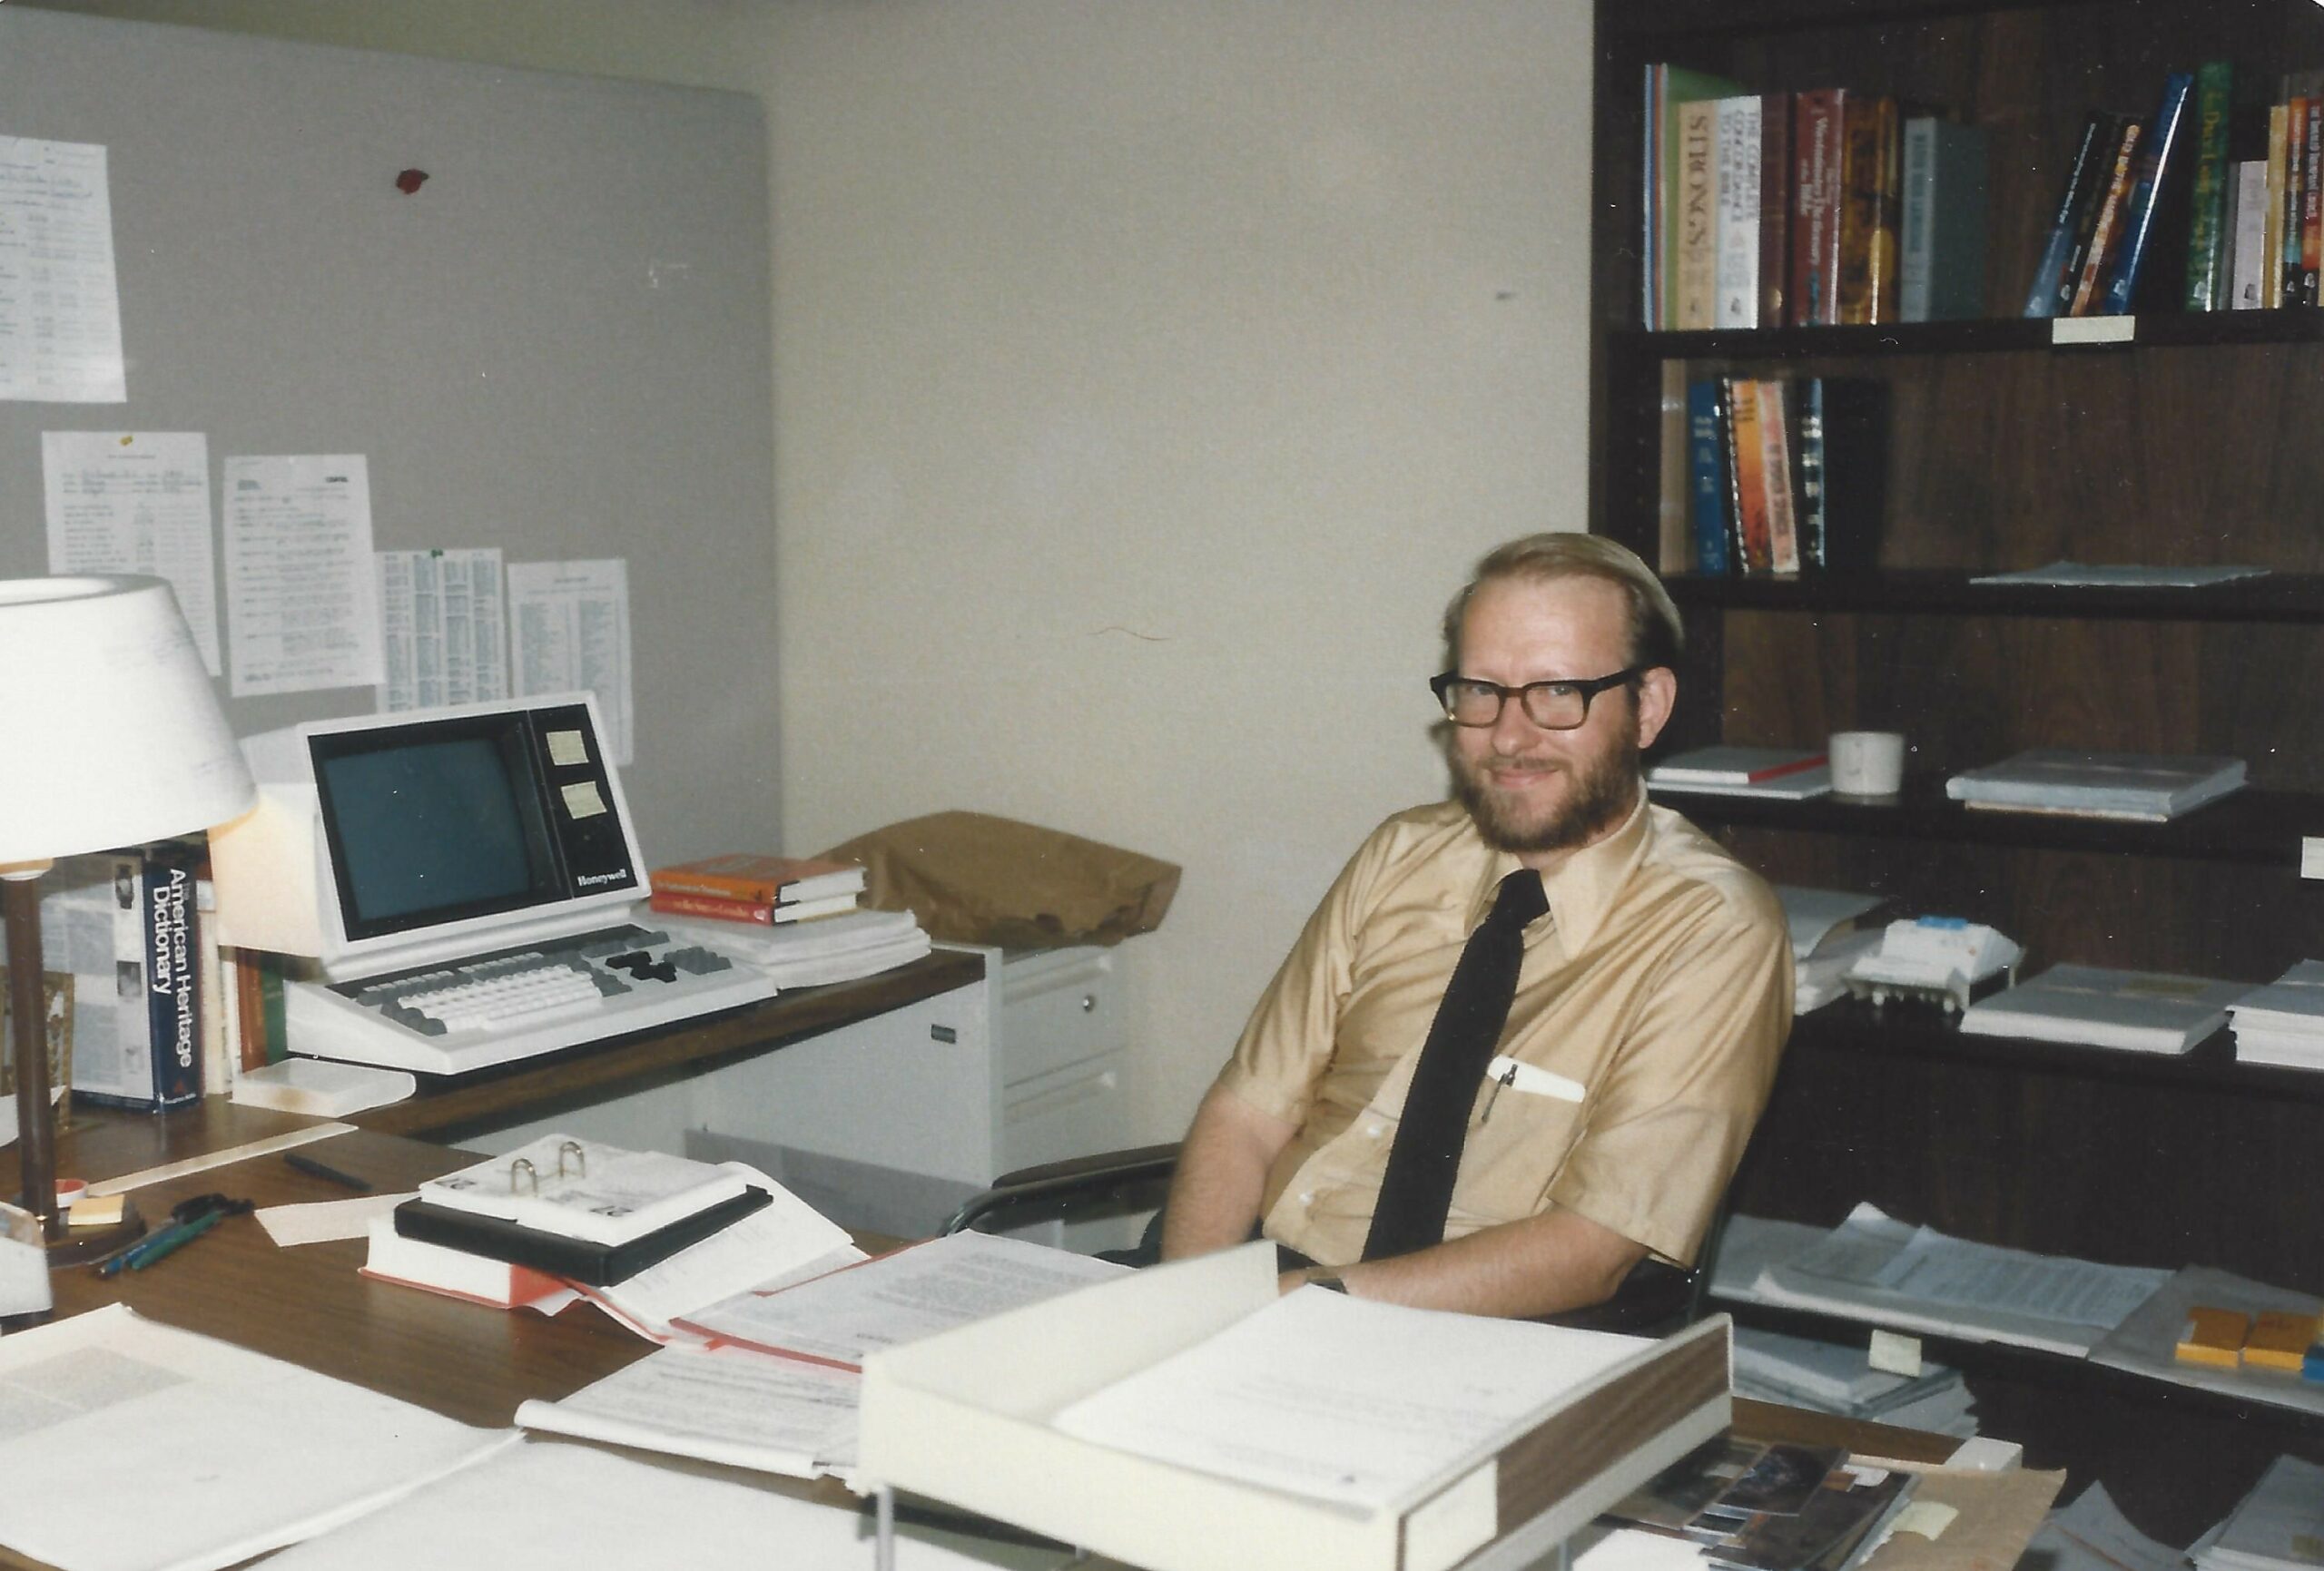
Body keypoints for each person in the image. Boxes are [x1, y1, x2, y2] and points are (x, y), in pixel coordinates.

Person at [1157, 533, 1791, 1319]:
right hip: (1266, 1282)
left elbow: (1594, 1247)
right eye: (1481, 690)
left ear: (1648, 707)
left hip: (1488, 1327)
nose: (1510, 736)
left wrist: (1283, 1311)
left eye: (1559, 692)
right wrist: (1181, 1310)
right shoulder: (1400, 855)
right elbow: (1246, 1113)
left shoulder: (1715, 928)